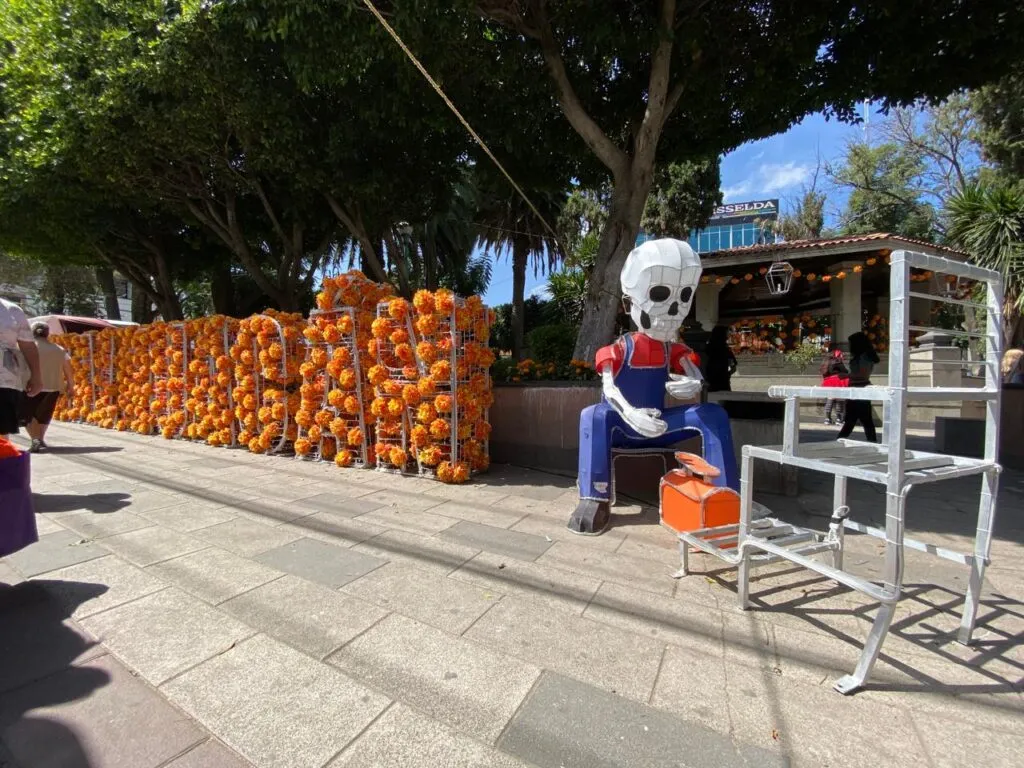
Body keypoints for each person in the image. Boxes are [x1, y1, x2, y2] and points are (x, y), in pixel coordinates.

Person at [22, 322, 74, 452]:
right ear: (47, 333)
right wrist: (71, 386)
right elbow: (68, 370)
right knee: (44, 415)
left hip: (29, 386)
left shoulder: (26, 348)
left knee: (27, 414)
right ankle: (40, 438)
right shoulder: (59, 350)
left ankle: (35, 439)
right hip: (53, 387)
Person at [0, 298, 41, 438]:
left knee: (2, 433)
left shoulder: (12, 310)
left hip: (5, 381)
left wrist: (36, 376)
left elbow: (28, 346)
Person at [837, 331, 880, 442]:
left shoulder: (864, 357)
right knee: (855, 420)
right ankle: (872, 442)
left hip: (860, 390)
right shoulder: (860, 356)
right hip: (856, 389)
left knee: (861, 421)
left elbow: (862, 374)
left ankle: (839, 440)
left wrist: (845, 375)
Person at [703, 325, 738, 392]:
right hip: (723, 381)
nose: (728, 335)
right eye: (727, 333)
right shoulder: (725, 350)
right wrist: (728, 374)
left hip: (710, 380)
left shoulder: (707, 348)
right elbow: (733, 366)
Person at [820, 344, 848, 425]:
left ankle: (827, 419)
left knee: (830, 399)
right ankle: (839, 419)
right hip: (838, 382)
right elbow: (845, 372)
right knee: (839, 400)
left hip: (828, 382)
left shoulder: (827, 361)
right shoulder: (838, 362)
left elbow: (824, 372)